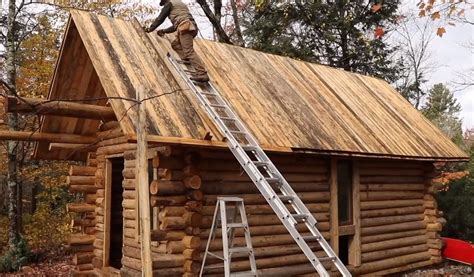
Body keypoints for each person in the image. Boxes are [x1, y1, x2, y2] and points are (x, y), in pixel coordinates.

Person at [145, 0, 210, 82]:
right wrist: (164, 31)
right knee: (176, 44)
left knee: (188, 51)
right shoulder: (179, 5)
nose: (164, 5)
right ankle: (187, 58)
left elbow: (160, 19)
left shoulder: (169, 4)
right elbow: (176, 25)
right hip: (189, 26)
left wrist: (150, 29)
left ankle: (202, 73)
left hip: (185, 27)